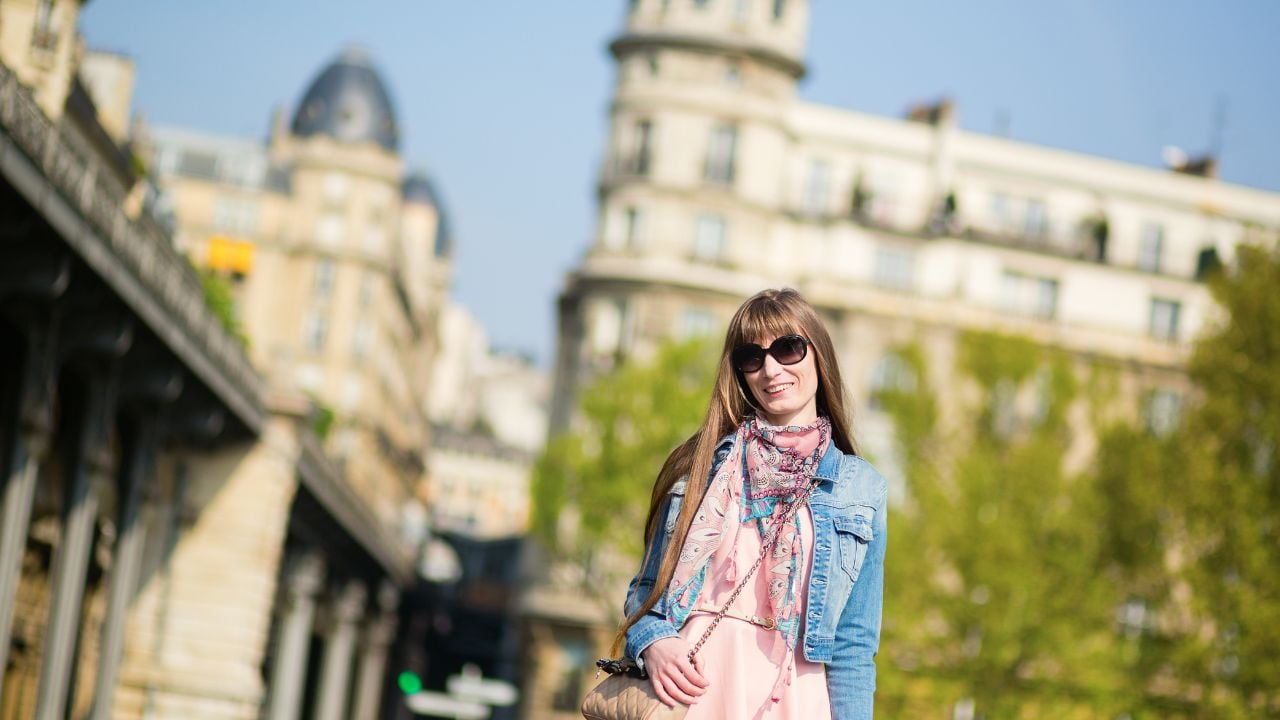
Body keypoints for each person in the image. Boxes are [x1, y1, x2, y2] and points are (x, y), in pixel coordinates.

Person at [615, 288, 887, 720]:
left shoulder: (860, 488)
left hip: (794, 699)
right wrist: (655, 643)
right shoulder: (701, 466)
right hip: (689, 693)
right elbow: (643, 593)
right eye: (752, 357)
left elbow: (853, 644)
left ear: (818, 354)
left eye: (787, 348)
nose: (771, 369)